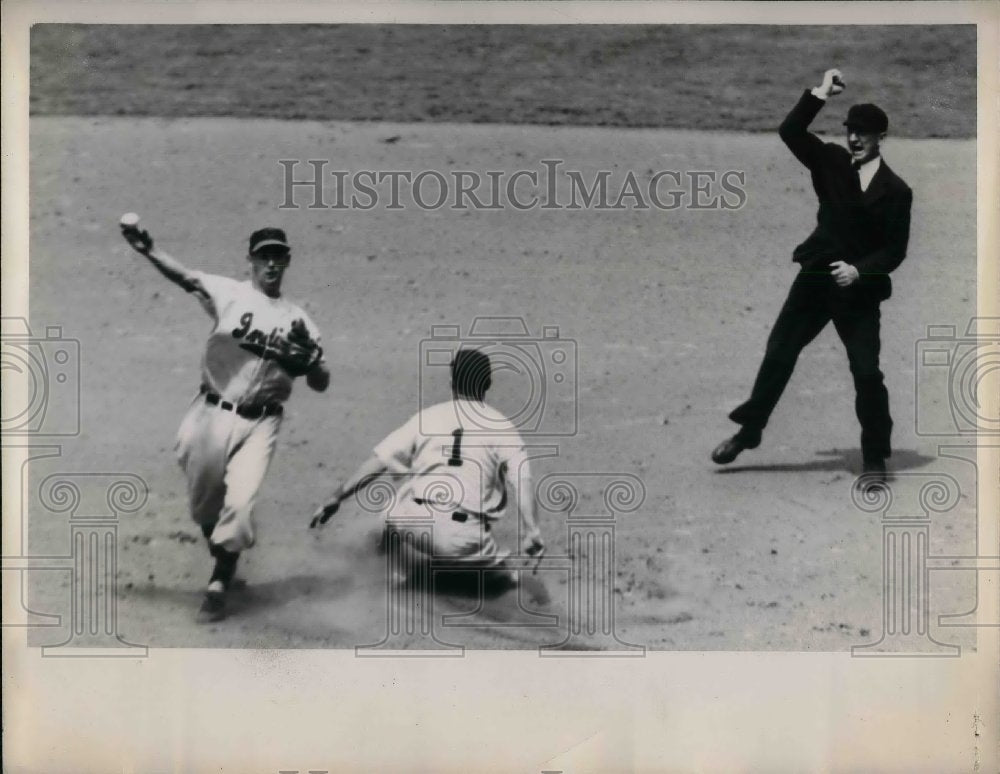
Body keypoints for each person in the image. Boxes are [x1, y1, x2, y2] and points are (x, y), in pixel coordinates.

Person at [120, 223, 330, 622]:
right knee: (205, 502)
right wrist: (149, 251)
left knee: (240, 500)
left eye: (278, 255)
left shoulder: (300, 320)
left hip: (261, 422)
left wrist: (311, 363)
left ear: (287, 261)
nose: (271, 262)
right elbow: (186, 278)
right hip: (210, 413)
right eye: (263, 255)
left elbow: (321, 382)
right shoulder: (229, 294)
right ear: (250, 259)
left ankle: (220, 581)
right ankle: (224, 555)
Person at [712, 68, 913, 483]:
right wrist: (820, 93)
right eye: (851, 130)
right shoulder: (831, 161)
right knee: (780, 350)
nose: (854, 138)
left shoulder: (896, 191)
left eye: (864, 133)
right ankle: (749, 431)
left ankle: (874, 458)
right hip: (816, 277)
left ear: (881, 138)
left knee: (867, 373)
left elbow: (895, 251)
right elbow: (790, 131)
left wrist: (859, 270)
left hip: (857, 291)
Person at [310, 348, 544, 584]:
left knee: (397, 502)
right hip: (463, 539)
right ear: (488, 383)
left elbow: (379, 461)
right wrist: (531, 531)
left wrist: (337, 496)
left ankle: (390, 573)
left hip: (413, 522)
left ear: (452, 381)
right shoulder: (502, 427)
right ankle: (494, 582)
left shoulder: (428, 417)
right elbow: (523, 482)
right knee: (509, 582)